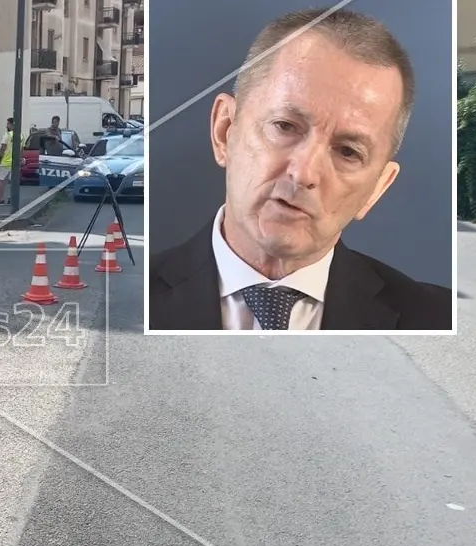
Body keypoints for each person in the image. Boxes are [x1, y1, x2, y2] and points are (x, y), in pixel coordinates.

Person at [148, 8, 450, 331]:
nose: (304, 173)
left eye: (348, 152)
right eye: (285, 126)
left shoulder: (438, 321)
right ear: (225, 131)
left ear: (376, 188)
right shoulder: (135, 304)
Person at [0, 117, 19, 205]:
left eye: (8, 123)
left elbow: (3, 148)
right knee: (12, 181)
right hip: (15, 162)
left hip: (5, 161)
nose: (6, 125)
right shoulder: (21, 135)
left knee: (0, 180)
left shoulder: (7, 135)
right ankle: (11, 198)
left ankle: (1, 198)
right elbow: (22, 149)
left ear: (12, 125)